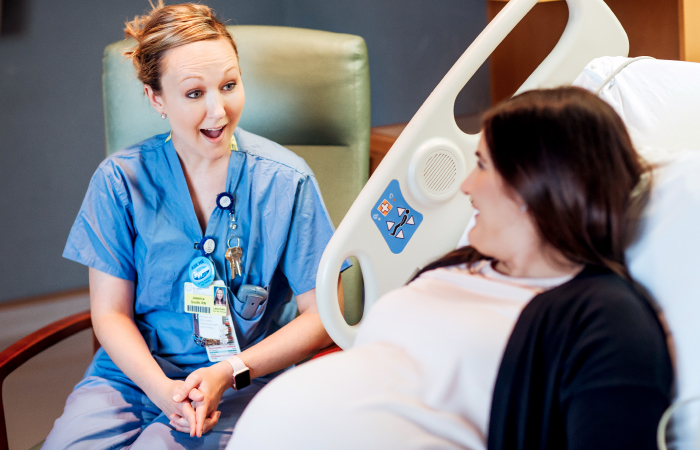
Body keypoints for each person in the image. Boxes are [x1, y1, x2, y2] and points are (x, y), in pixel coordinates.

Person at [229, 87, 673, 450]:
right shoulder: (461, 265)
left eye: (482, 165)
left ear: (537, 185)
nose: (465, 185)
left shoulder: (605, 317)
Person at [44, 2, 346, 448]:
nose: (218, 111)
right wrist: (161, 388)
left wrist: (230, 371)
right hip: (131, 378)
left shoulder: (285, 182)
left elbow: (323, 317)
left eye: (229, 85)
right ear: (155, 98)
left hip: (242, 380)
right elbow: (110, 314)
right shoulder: (119, 181)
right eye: (193, 93)